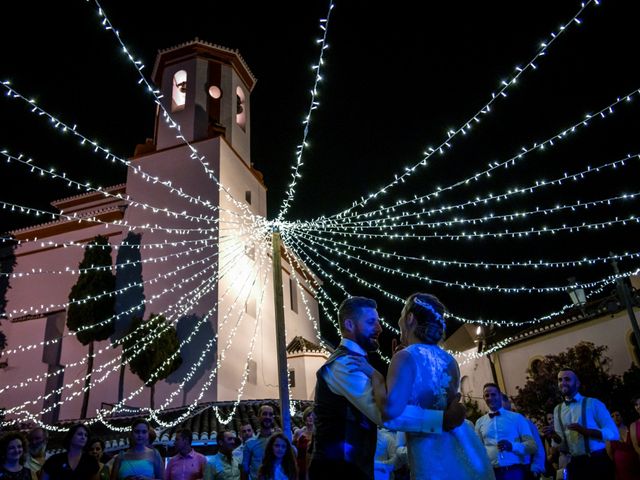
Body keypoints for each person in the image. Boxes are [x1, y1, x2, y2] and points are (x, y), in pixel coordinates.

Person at [341, 294, 493, 480]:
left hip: (430, 459)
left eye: (402, 314)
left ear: (410, 318)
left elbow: (390, 411)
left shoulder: (404, 356)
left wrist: (377, 376)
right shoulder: (450, 360)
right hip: (463, 450)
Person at [548, 368, 618, 480]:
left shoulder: (593, 403)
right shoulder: (558, 409)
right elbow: (563, 445)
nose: (563, 383)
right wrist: (554, 436)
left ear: (577, 383)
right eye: (560, 380)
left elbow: (614, 433)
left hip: (598, 460)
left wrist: (585, 431)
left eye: (567, 379)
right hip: (576, 463)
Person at [476, 383, 536, 480]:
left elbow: (532, 446)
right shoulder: (479, 422)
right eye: (487, 395)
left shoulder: (517, 418)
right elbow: (479, 449)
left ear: (500, 395)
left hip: (515, 471)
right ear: (483, 398)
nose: (490, 398)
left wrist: (512, 446)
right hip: (492, 473)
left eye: (493, 394)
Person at [501, 393, 545, 480]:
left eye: (500, 401)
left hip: (525, 470)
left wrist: (536, 467)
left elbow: (538, 446)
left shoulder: (523, 422)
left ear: (508, 403)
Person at [242, 405, 276, 480]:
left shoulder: (278, 441)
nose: (268, 417)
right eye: (264, 414)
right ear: (258, 417)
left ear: (273, 418)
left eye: (270, 415)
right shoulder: (249, 443)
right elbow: (245, 470)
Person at [606, 410, 640, 480]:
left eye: (617, 415)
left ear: (622, 417)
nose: (615, 418)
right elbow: (610, 454)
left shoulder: (631, 428)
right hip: (621, 471)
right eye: (612, 416)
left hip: (636, 466)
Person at [292, 407, 314, 480]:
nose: (310, 418)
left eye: (313, 416)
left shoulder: (318, 434)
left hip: (312, 466)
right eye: (308, 415)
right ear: (305, 417)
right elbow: (293, 452)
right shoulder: (298, 433)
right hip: (300, 466)